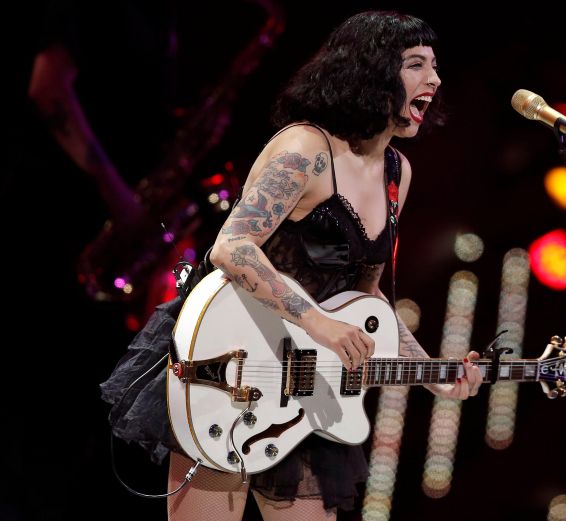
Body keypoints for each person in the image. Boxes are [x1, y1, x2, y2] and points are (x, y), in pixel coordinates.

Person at [100, 10, 483, 521]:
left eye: (435, 67)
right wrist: (319, 323)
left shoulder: (397, 173)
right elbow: (231, 247)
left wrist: (434, 373)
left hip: (308, 392)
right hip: (232, 362)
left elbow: (369, 296)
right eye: (416, 65)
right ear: (371, 71)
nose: (434, 80)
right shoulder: (305, 148)